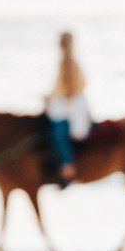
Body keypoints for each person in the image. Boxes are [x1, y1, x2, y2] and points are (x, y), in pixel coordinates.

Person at [45, 31, 91, 187]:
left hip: (73, 106)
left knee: (58, 129)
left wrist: (54, 98)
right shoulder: (68, 61)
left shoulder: (69, 62)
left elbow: (68, 88)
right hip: (73, 103)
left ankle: (67, 165)